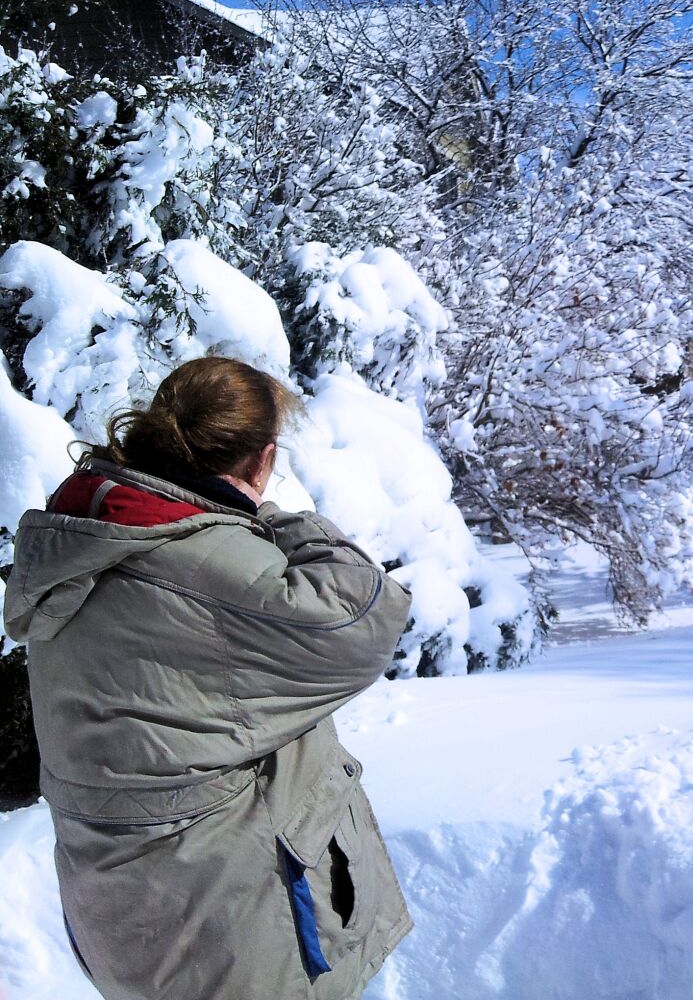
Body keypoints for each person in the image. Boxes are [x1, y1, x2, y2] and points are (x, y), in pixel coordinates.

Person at [3, 356, 414, 1000]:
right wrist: (277, 518)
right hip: (232, 917)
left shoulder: (84, 540)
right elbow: (360, 615)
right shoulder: (205, 564)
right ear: (261, 460)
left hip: (121, 909)